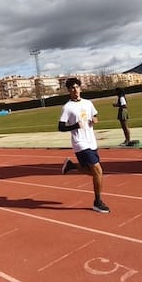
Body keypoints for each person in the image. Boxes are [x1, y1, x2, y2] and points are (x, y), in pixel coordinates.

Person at [58, 78, 110, 213]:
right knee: (98, 171)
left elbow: (95, 116)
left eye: (77, 87)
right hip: (79, 142)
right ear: (69, 90)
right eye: (72, 88)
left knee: (94, 172)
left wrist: (95, 120)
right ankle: (97, 202)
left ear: (80, 88)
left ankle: (71, 166)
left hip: (91, 141)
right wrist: (75, 126)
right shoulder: (67, 107)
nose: (75, 90)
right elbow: (60, 127)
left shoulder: (88, 103)